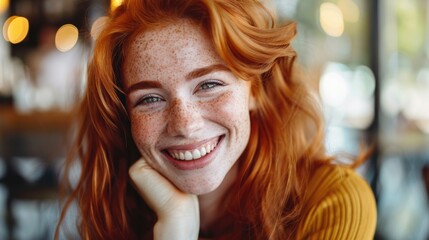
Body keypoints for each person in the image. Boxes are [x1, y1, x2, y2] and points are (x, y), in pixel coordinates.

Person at [56, 0, 377, 239]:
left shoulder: (332, 202)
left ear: (256, 90)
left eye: (209, 85)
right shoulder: (121, 208)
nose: (185, 124)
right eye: (150, 99)